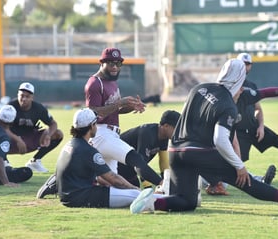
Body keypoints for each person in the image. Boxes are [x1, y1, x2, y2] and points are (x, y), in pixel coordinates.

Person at [130, 58, 278, 214]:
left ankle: (152, 203)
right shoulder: (227, 104)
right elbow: (220, 140)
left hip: (176, 151)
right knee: (247, 181)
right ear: (238, 80)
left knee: (187, 202)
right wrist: (239, 166)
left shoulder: (199, 88)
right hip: (198, 152)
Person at [44, 108, 162, 208]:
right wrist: (135, 188)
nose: (97, 127)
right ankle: (167, 199)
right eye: (95, 123)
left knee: (127, 191)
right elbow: (113, 179)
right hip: (81, 197)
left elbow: (100, 178)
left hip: (69, 196)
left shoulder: (70, 144)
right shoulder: (88, 150)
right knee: (134, 195)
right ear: (91, 126)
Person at [84, 47, 163, 187]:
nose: (115, 67)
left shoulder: (112, 82)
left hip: (112, 134)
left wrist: (129, 107)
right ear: (102, 63)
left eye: (118, 64)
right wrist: (120, 103)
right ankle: (164, 186)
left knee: (111, 185)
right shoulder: (95, 83)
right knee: (135, 158)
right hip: (101, 133)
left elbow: (114, 110)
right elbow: (93, 113)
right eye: (111, 63)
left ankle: (60, 184)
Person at [7, 82, 63, 173]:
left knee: (58, 134)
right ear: (17, 95)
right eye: (22, 95)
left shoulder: (38, 108)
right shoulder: (10, 107)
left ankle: (35, 161)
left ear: (32, 97)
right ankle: (4, 161)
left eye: (27, 96)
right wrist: (17, 139)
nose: (24, 99)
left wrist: (48, 135)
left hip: (29, 138)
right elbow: (0, 127)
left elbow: (53, 123)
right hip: (11, 140)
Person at [117, 110, 180, 188]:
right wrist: (153, 185)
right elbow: (140, 166)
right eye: (176, 129)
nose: (179, 133)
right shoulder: (147, 133)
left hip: (130, 172)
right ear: (166, 126)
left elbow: (163, 161)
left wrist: (166, 181)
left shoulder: (164, 137)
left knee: (136, 197)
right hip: (115, 171)